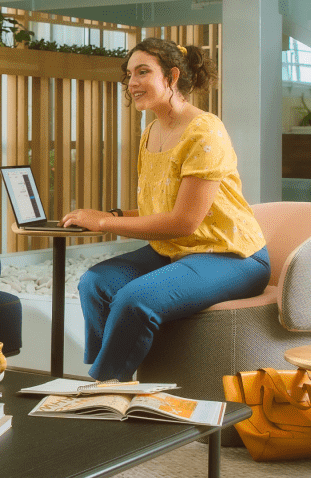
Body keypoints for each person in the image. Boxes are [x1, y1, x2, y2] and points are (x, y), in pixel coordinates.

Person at [60, 38, 272, 382]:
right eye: (129, 74)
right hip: (177, 251)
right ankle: (114, 379)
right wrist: (104, 216)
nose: (132, 83)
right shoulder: (151, 133)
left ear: (172, 76)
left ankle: (103, 388)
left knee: (135, 299)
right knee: (95, 283)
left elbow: (185, 222)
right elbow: (156, 208)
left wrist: (105, 222)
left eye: (143, 72)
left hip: (233, 256)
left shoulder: (205, 130)